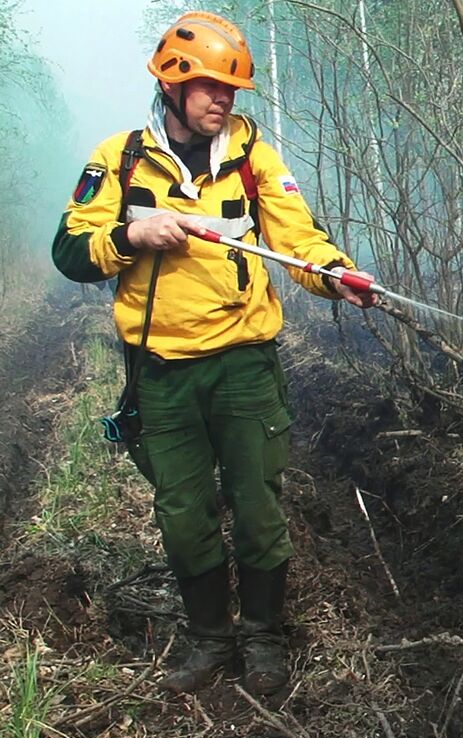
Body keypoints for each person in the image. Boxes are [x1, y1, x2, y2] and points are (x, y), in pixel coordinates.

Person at [52, 11, 376, 695]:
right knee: (183, 512)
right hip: (161, 372)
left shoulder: (254, 157)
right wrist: (133, 237)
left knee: (258, 505)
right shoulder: (119, 160)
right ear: (171, 86)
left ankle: (263, 639)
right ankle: (209, 641)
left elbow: (299, 241)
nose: (222, 100)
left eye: (230, 89)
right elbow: (70, 251)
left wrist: (337, 276)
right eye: (208, 87)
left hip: (244, 365)